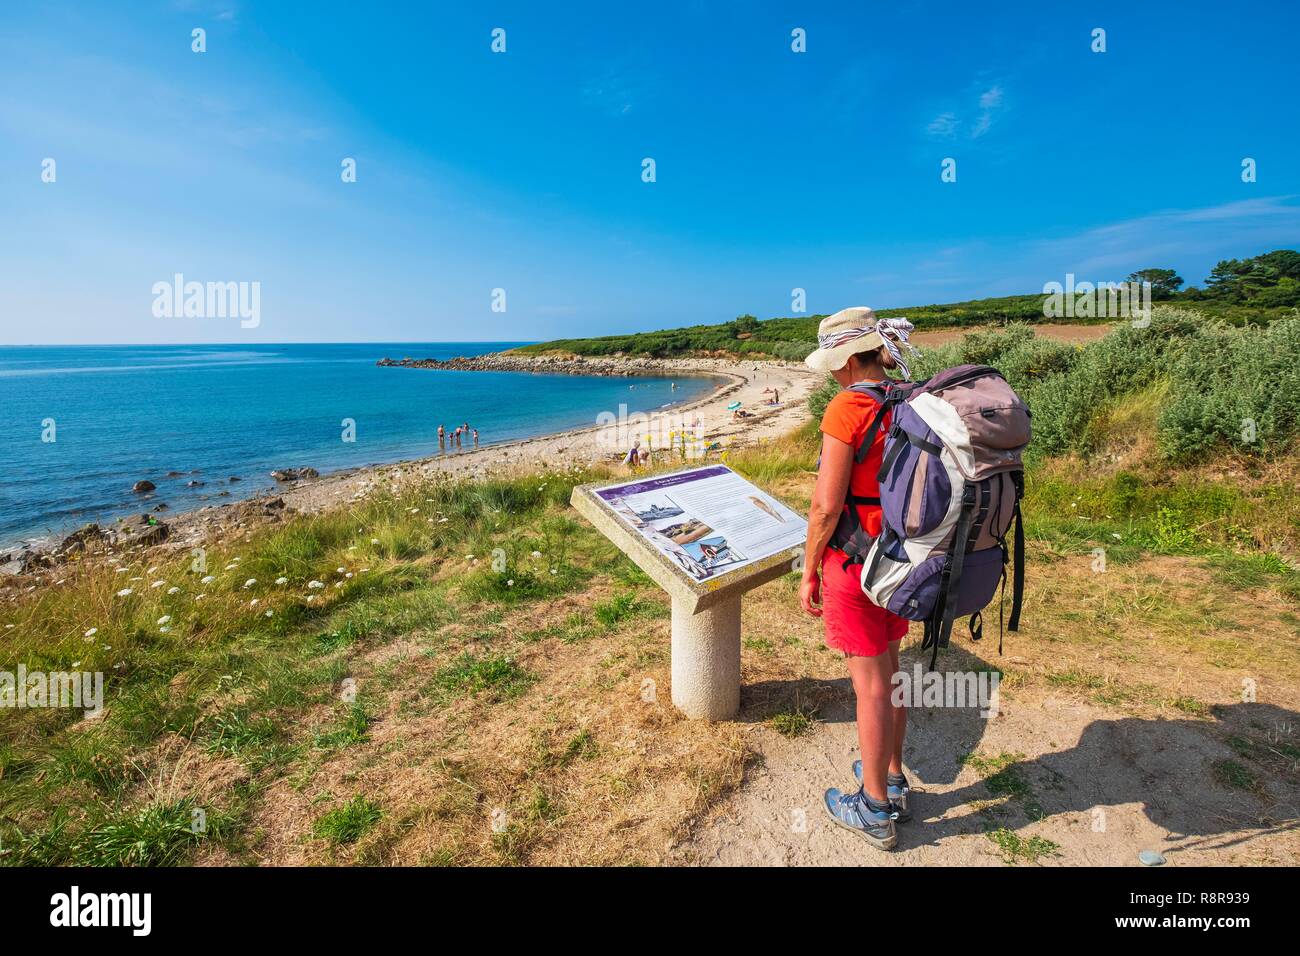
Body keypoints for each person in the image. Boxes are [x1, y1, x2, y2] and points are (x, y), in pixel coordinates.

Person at [798, 306, 917, 852]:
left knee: (868, 684)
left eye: (831, 363)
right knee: (891, 671)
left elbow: (826, 507)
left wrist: (808, 571)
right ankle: (892, 776)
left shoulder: (847, 407)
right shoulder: (910, 398)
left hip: (856, 561)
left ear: (846, 359)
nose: (830, 373)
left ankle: (873, 808)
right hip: (907, 557)